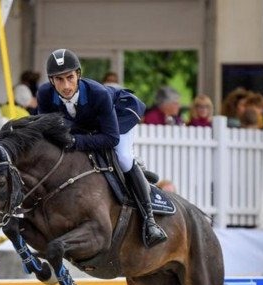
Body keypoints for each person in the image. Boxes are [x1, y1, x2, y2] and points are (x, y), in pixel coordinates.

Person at [37, 48, 167, 248]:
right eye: (59, 80)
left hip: (119, 113)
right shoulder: (45, 94)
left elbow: (111, 138)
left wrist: (76, 142)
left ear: (78, 74)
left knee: (122, 157)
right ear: (51, 80)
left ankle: (150, 221)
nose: (66, 85)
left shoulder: (98, 93)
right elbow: (47, 131)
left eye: (70, 78)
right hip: (86, 122)